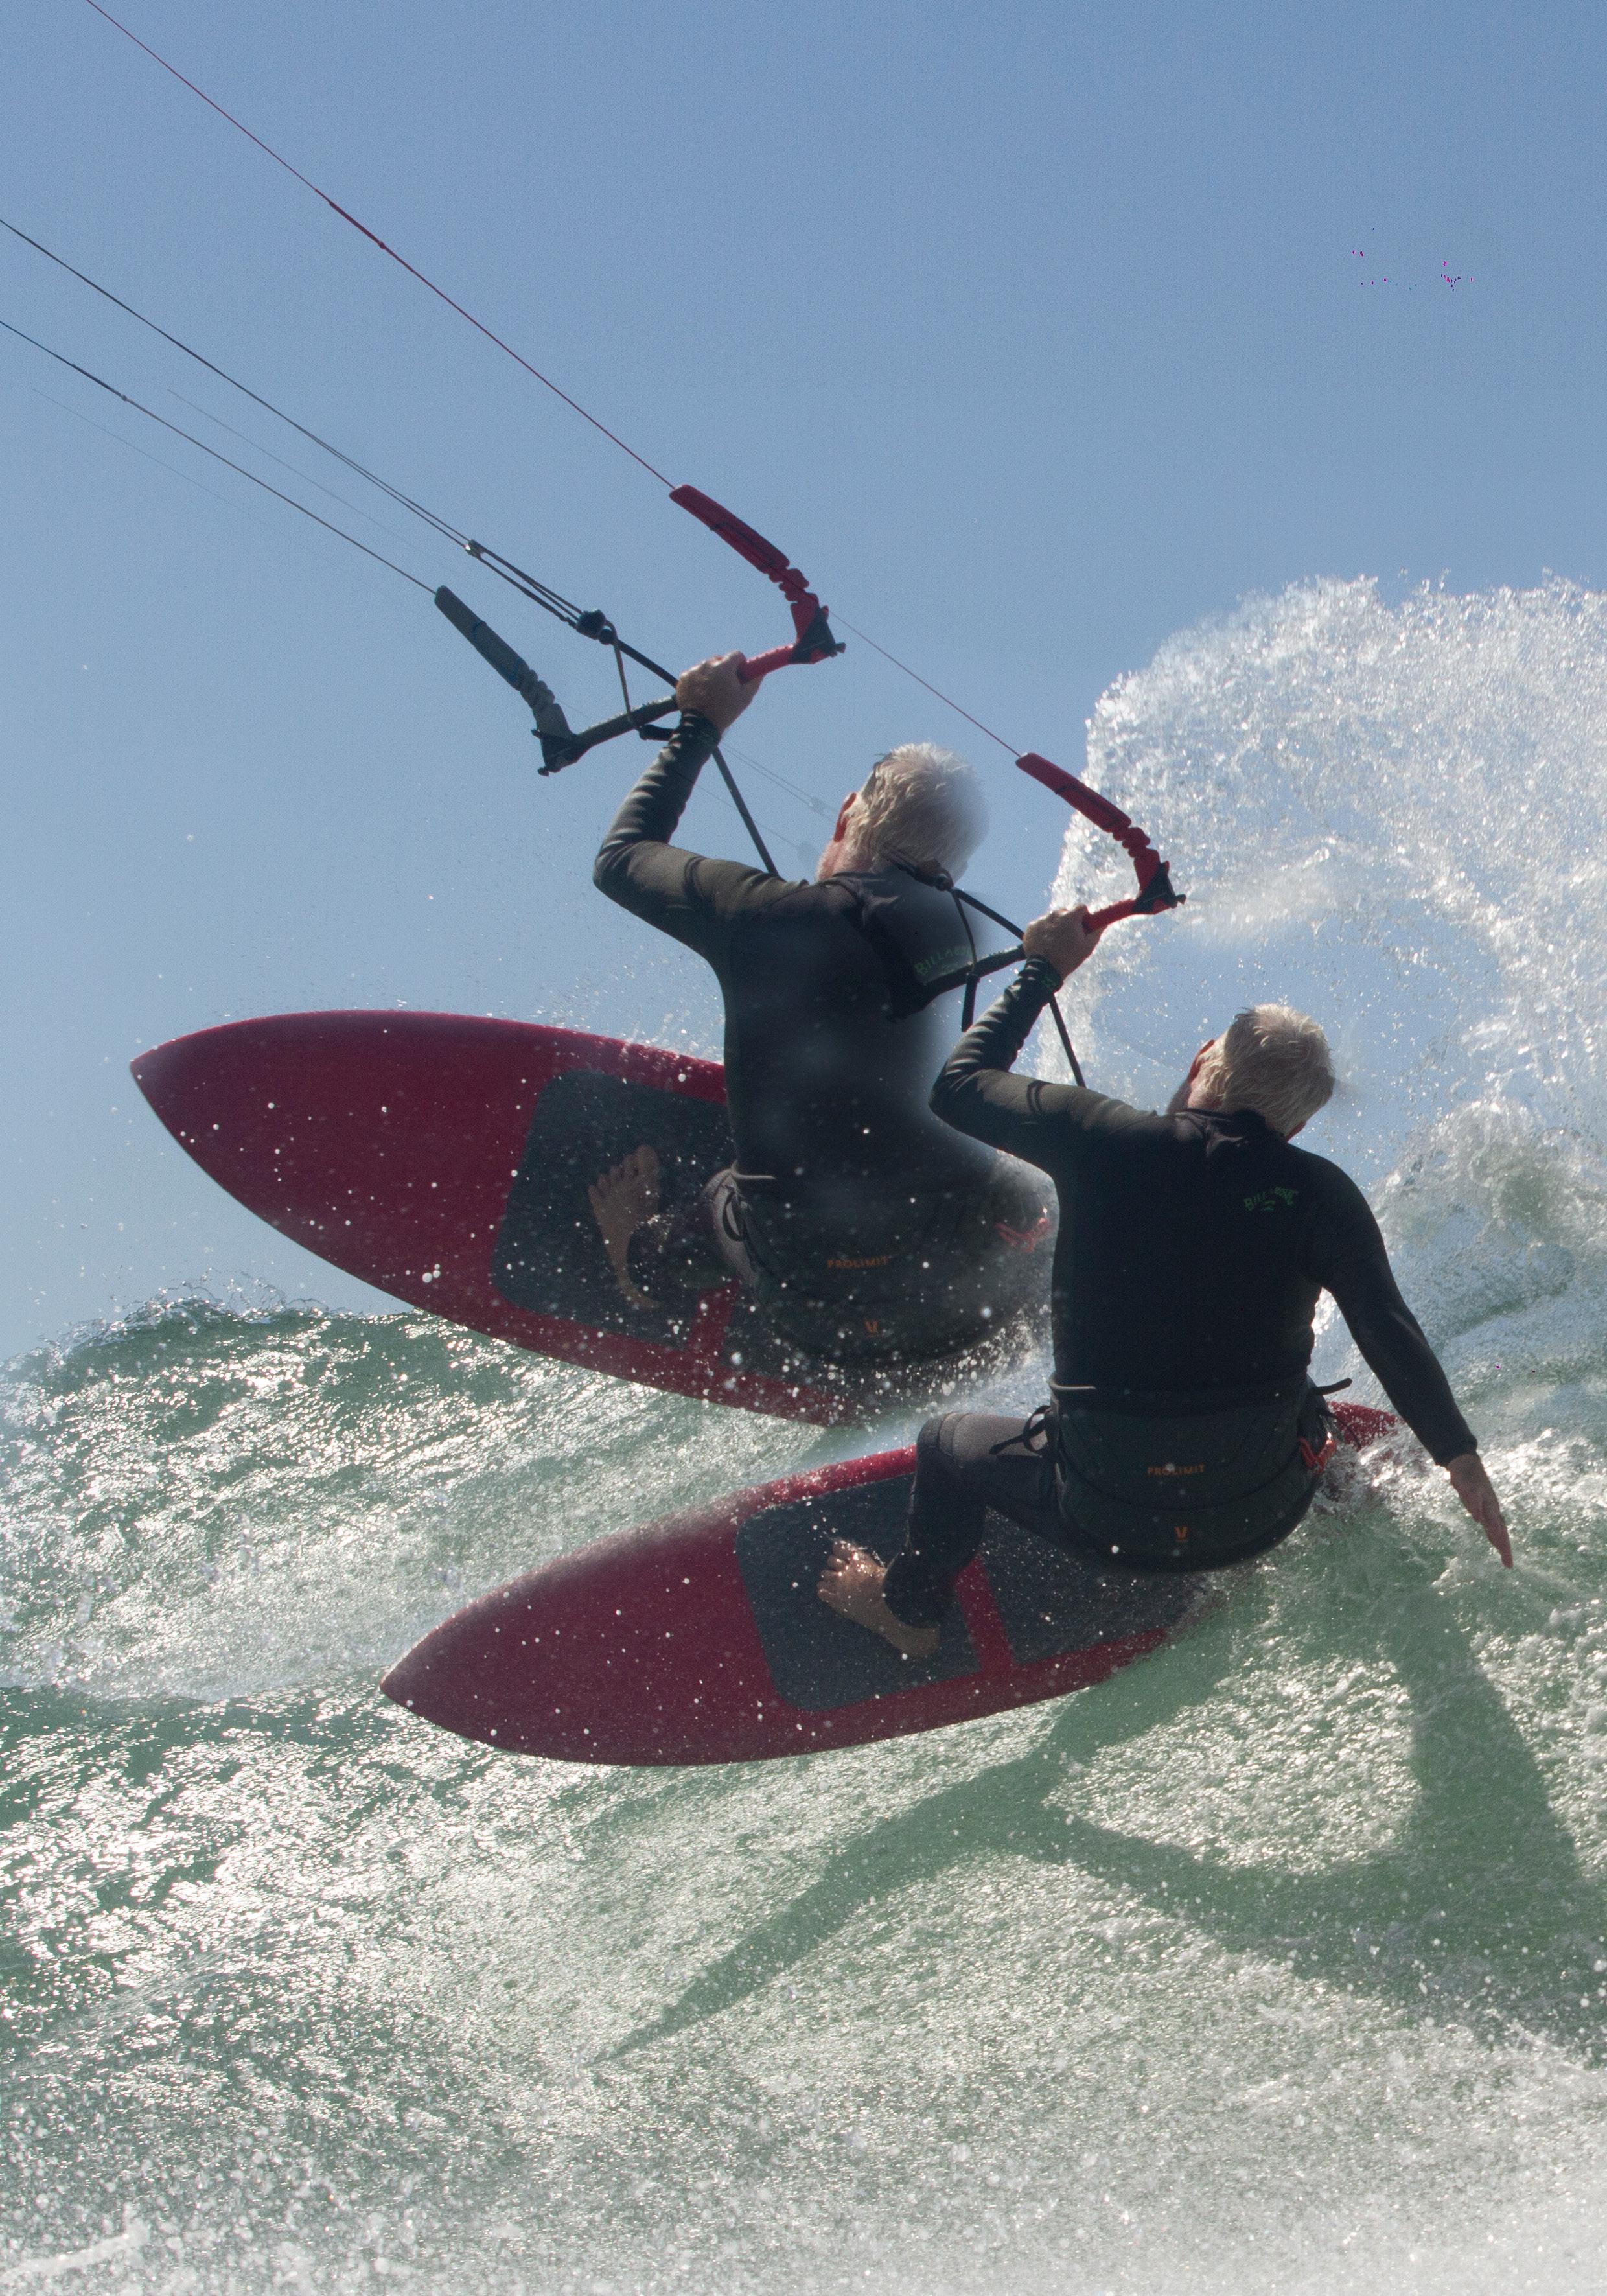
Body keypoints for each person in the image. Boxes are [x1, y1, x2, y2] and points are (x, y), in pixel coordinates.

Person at [819, 903, 1512, 1655]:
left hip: (1105, 1517)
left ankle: (910, 1611)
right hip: (1259, 1516)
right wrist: (1458, 1458)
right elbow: (1384, 1327)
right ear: (1294, 1129)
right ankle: (1330, 1499)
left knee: (942, 1441)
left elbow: (956, 1085)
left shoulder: (1097, 1137)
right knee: (1301, 1396)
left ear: (1199, 1063)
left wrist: (1042, 969)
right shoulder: (1318, 1191)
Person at [588, 651, 1052, 1363]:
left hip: (809, 1306)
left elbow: (620, 858)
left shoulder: (761, 917)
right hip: (961, 1305)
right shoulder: (973, 936)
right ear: (953, 870)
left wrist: (699, 723)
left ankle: (638, 1258)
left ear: (845, 814)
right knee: (1035, 1188)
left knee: (722, 1198)